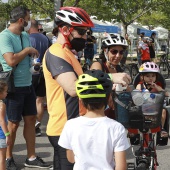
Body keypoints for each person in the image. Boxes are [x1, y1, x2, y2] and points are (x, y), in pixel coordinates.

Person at [42, 6, 131, 170]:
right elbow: (73, 88)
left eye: (87, 32)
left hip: (74, 126)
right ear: (65, 29)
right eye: (82, 32)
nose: (85, 37)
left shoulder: (69, 52)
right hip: (64, 127)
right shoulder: (56, 53)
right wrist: (110, 77)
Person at [0, 6, 51, 170]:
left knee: (30, 120)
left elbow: (25, 59)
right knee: (13, 124)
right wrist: (28, 50)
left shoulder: (24, 35)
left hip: (28, 85)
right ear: (21, 20)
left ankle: (31, 157)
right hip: (13, 88)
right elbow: (11, 60)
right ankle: (9, 158)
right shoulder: (4, 36)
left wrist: (33, 64)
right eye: (28, 18)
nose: (30, 22)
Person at [58, 70, 130, 170]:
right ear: (109, 97)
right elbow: (121, 167)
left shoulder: (70, 125)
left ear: (80, 99)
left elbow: (71, 158)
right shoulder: (116, 128)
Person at [90, 33, 131, 119]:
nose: (118, 55)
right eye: (114, 51)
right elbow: (93, 78)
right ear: (105, 51)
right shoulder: (98, 65)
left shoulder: (119, 69)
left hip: (117, 112)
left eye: (121, 52)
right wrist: (111, 78)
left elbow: (128, 91)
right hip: (99, 114)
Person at [28, 19, 50, 137]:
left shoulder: (28, 38)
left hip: (31, 72)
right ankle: (37, 125)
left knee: (30, 100)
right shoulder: (45, 38)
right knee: (40, 100)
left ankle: (31, 125)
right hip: (43, 71)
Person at [136, 62, 168, 137]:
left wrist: (156, 87)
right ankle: (134, 129)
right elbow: (135, 93)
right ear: (142, 77)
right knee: (133, 112)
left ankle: (161, 128)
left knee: (163, 111)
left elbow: (165, 93)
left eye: (153, 76)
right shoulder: (140, 85)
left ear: (156, 77)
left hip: (155, 108)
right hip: (143, 107)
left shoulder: (157, 85)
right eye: (148, 76)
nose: (151, 78)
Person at [0, 80, 11, 170]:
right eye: (5, 91)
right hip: (1, 135)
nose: (7, 93)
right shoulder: (1, 105)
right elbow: (2, 121)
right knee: (2, 158)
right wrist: (7, 134)